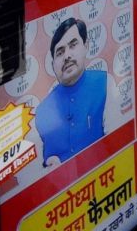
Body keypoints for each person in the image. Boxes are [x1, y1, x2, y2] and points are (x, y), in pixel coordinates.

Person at [36, 17, 111, 165]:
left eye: (73, 45)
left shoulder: (105, 83)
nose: (67, 56)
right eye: (60, 52)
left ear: (86, 46)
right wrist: (46, 167)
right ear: (53, 65)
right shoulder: (39, 112)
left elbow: (117, 142)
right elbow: (34, 168)